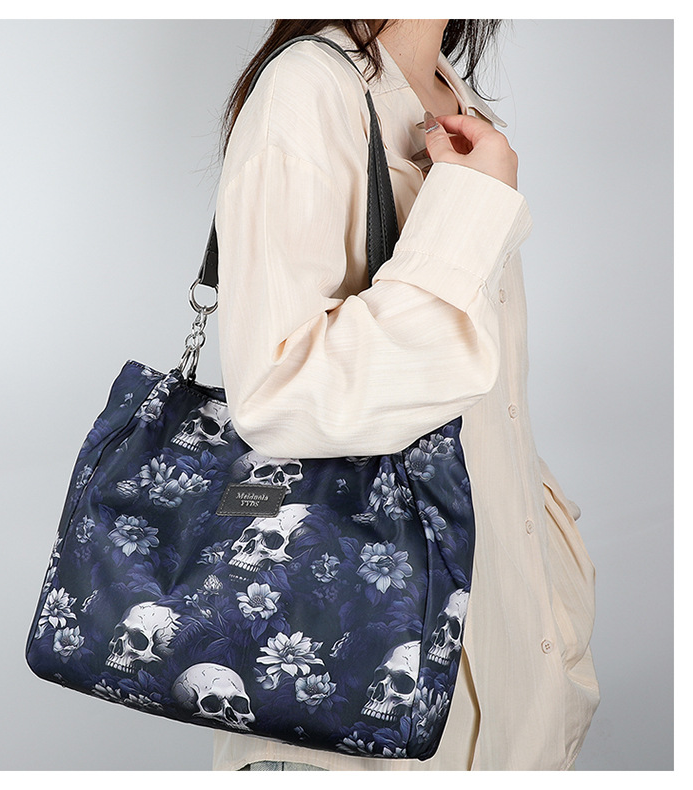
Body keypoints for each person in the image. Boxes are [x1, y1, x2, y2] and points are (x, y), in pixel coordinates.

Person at [210, 19, 600, 771]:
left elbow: (487, 412)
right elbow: (280, 396)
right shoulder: (308, 88)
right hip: (350, 700)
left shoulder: (455, 96)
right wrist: (467, 207)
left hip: (513, 674)